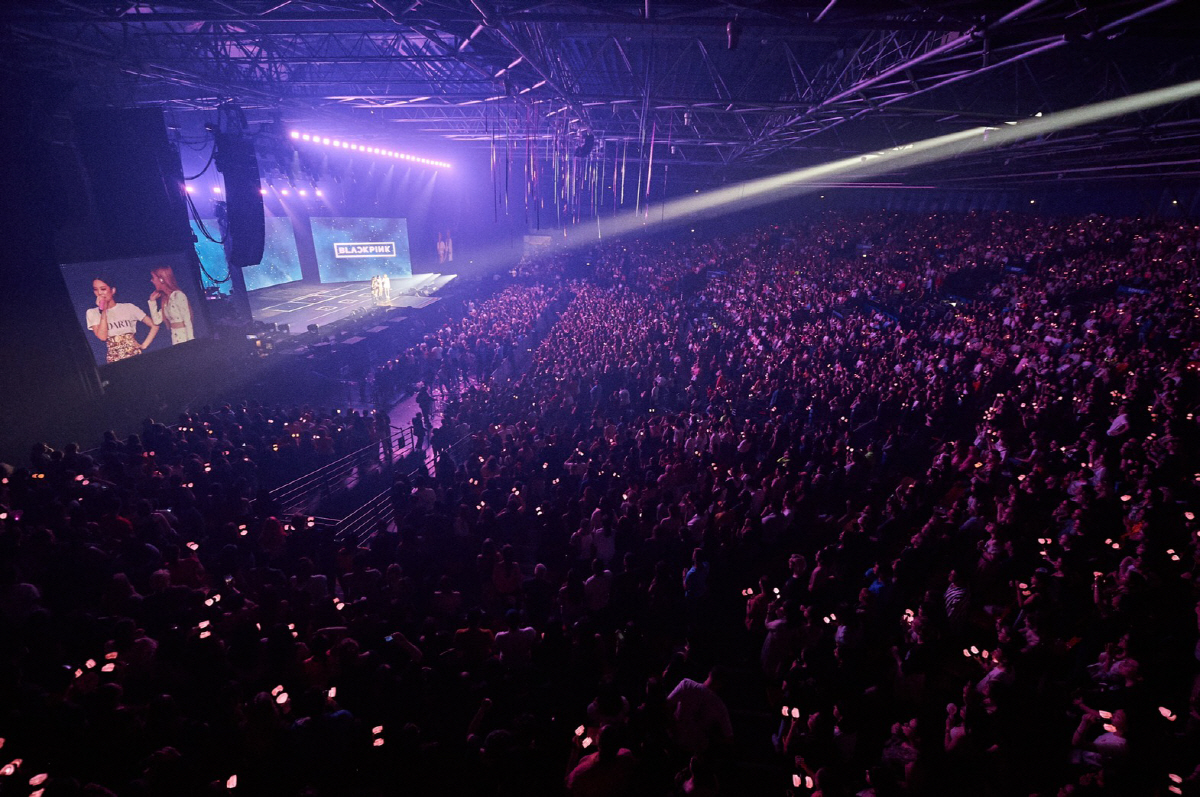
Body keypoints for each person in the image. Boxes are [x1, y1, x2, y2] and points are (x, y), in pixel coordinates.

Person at [87, 276, 159, 363]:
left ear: (112, 290)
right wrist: (103, 311)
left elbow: (155, 326)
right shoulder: (92, 312)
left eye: (103, 289)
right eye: (95, 289)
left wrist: (144, 345)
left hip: (135, 355)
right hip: (114, 359)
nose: (99, 293)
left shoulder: (128, 307)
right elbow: (102, 337)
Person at [147, 265, 194, 345]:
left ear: (161, 279)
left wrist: (191, 343)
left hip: (184, 339)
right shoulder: (165, 300)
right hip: (175, 340)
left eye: (153, 278)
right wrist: (152, 301)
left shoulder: (178, 295)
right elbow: (157, 321)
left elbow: (187, 321)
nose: (152, 280)